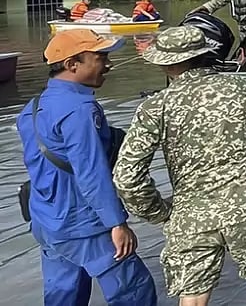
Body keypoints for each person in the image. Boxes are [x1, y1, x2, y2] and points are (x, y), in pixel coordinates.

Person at [113, 25, 246, 306]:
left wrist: (159, 213)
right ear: (205, 55)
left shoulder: (155, 107)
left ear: (166, 65)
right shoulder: (243, 89)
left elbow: (127, 177)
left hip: (191, 214)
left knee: (192, 295)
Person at [17, 29, 158, 306]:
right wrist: (117, 224)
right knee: (135, 291)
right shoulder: (80, 110)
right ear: (72, 65)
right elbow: (91, 173)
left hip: (46, 221)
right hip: (84, 223)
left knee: (64, 296)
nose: (108, 64)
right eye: (100, 57)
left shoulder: (31, 108)